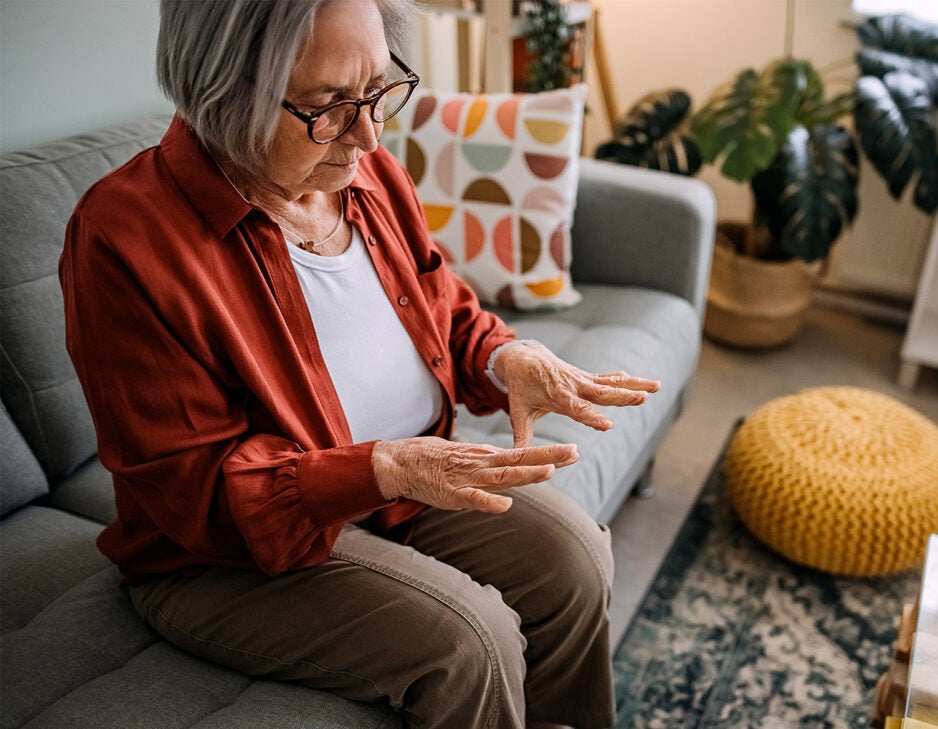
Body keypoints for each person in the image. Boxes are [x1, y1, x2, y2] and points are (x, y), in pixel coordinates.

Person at [59, 0, 659, 727]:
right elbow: (194, 489)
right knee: (471, 637)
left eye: (377, 90)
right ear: (225, 94)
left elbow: (440, 302)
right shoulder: (126, 236)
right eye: (327, 105)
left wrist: (507, 356)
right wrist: (380, 468)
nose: (369, 134)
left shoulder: (363, 172)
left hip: (395, 495)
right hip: (222, 556)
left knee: (574, 556)